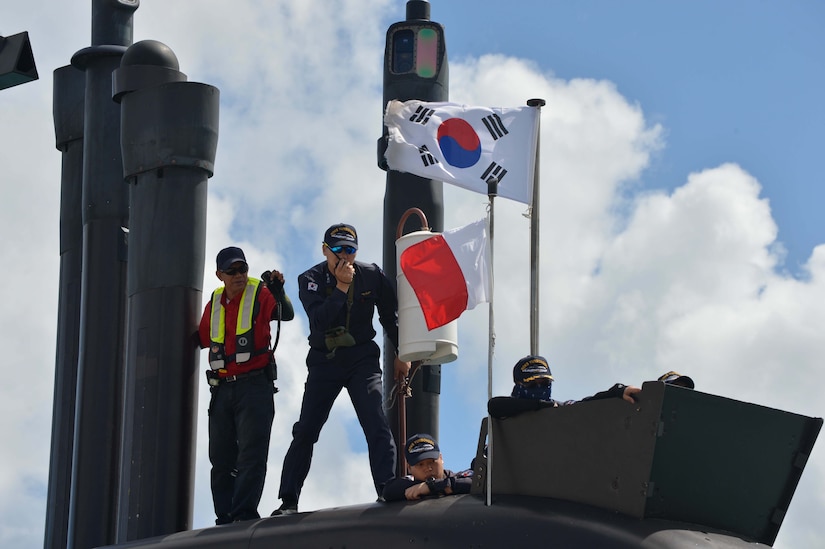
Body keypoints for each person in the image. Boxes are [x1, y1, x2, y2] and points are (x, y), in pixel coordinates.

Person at [272, 223, 410, 516]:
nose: (344, 257)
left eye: (350, 250)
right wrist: (342, 287)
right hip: (325, 361)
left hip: (362, 358)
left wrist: (402, 352)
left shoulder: (372, 275)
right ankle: (288, 500)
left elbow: (391, 316)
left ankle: (387, 488)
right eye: (337, 251)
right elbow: (319, 321)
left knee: (375, 422)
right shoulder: (309, 278)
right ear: (325, 251)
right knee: (306, 429)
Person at [196, 246, 295, 524]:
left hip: (254, 387)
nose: (239, 275)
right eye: (232, 271)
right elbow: (202, 337)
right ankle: (224, 517)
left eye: (243, 269)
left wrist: (278, 291)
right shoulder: (214, 302)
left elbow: (285, 314)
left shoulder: (259, 292)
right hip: (223, 388)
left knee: (251, 454)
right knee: (221, 457)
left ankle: (243, 514)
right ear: (220, 275)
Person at [488, 355, 641, 419]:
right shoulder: (507, 412)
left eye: (545, 383)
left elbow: (587, 403)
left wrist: (617, 391)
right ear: (519, 385)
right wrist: (540, 405)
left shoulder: (560, 409)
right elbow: (494, 406)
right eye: (532, 384)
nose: (540, 388)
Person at [382, 434, 473, 502]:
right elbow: (389, 491)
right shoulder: (407, 484)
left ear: (441, 458)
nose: (428, 468)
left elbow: (476, 483)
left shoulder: (458, 478)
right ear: (409, 468)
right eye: (420, 464)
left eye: (432, 461)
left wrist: (432, 486)